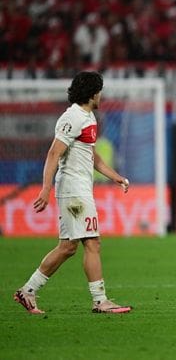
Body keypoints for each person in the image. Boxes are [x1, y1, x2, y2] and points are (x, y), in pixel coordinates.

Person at [14, 71, 132, 314]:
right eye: (99, 91)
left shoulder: (87, 118)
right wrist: (45, 188)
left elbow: (92, 156)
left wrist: (116, 177)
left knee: (67, 247)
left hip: (78, 188)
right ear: (92, 93)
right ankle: (100, 300)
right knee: (93, 242)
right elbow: (53, 153)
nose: (101, 96)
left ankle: (28, 291)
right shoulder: (73, 117)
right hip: (73, 190)